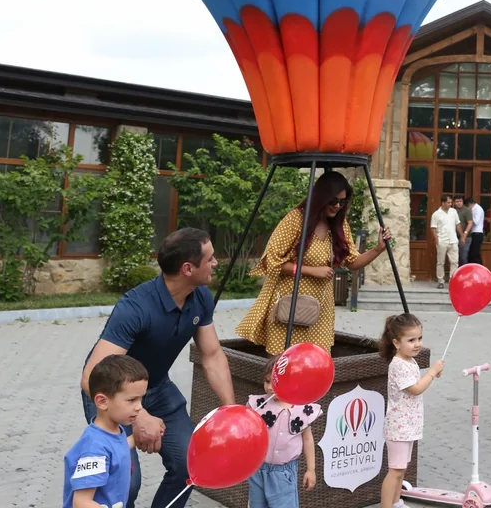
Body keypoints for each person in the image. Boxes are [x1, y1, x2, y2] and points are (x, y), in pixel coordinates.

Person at [80, 228, 236, 508]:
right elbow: (92, 376)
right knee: (125, 481)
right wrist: (139, 416)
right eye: (210, 259)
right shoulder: (136, 307)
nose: (215, 263)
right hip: (111, 392)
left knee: (190, 467)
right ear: (188, 268)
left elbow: (212, 356)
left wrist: (230, 410)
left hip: (157, 387)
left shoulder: (200, 297)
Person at [237, 171, 392, 354]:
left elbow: (353, 262)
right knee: (286, 359)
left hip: (320, 309)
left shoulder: (339, 225)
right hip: (291, 304)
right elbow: (273, 262)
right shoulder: (296, 219)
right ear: (321, 197)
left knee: (314, 359)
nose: (338, 206)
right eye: (334, 201)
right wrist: (311, 271)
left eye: (342, 202)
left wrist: (378, 249)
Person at [64, 355, 147, 508]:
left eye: (141, 399)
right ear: (102, 402)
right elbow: (81, 502)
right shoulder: (94, 449)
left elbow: (115, 449)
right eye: (131, 400)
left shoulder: (113, 431)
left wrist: (135, 438)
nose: (139, 407)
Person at [379, 313, 445, 508]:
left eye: (419, 339)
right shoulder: (398, 364)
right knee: (395, 470)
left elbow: (416, 383)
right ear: (397, 343)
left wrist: (430, 375)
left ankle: (396, 502)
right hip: (399, 428)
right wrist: (431, 373)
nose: (417, 344)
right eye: (411, 340)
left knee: (401, 469)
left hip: (408, 425)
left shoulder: (409, 360)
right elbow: (415, 389)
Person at [248, 355, 321, 508]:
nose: (269, 387)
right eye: (267, 381)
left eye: (274, 382)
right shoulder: (258, 405)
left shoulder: (301, 409)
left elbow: (307, 440)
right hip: (258, 469)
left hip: (283, 473)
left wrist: (311, 469)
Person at [430, 194, 459, 289]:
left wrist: (462, 235)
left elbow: (457, 224)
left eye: (451, 202)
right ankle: (441, 281)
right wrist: (436, 239)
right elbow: (433, 228)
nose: (450, 204)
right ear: (443, 203)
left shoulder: (454, 212)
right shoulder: (436, 214)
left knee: (454, 261)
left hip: (453, 240)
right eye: (448, 202)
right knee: (440, 262)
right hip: (442, 240)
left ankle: (452, 280)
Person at [466, 195, 486, 265]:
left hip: (477, 234)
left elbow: (476, 221)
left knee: (475, 254)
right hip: (475, 233)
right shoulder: (475, 209)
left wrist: (468, 219)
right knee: (473, 253)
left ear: (469, 204)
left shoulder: (477, 209)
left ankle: (479, 268)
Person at [454, 196, 472, 267]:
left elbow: (470, 223)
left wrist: (464, 234)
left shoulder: (466, 210)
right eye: (457, 202)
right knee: (454, 257)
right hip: (454, 236)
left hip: (465, 237)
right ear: (454, 202)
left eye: (460, 201)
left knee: (463, 257)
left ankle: (463, 274)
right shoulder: (452, 210)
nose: (459, 203)